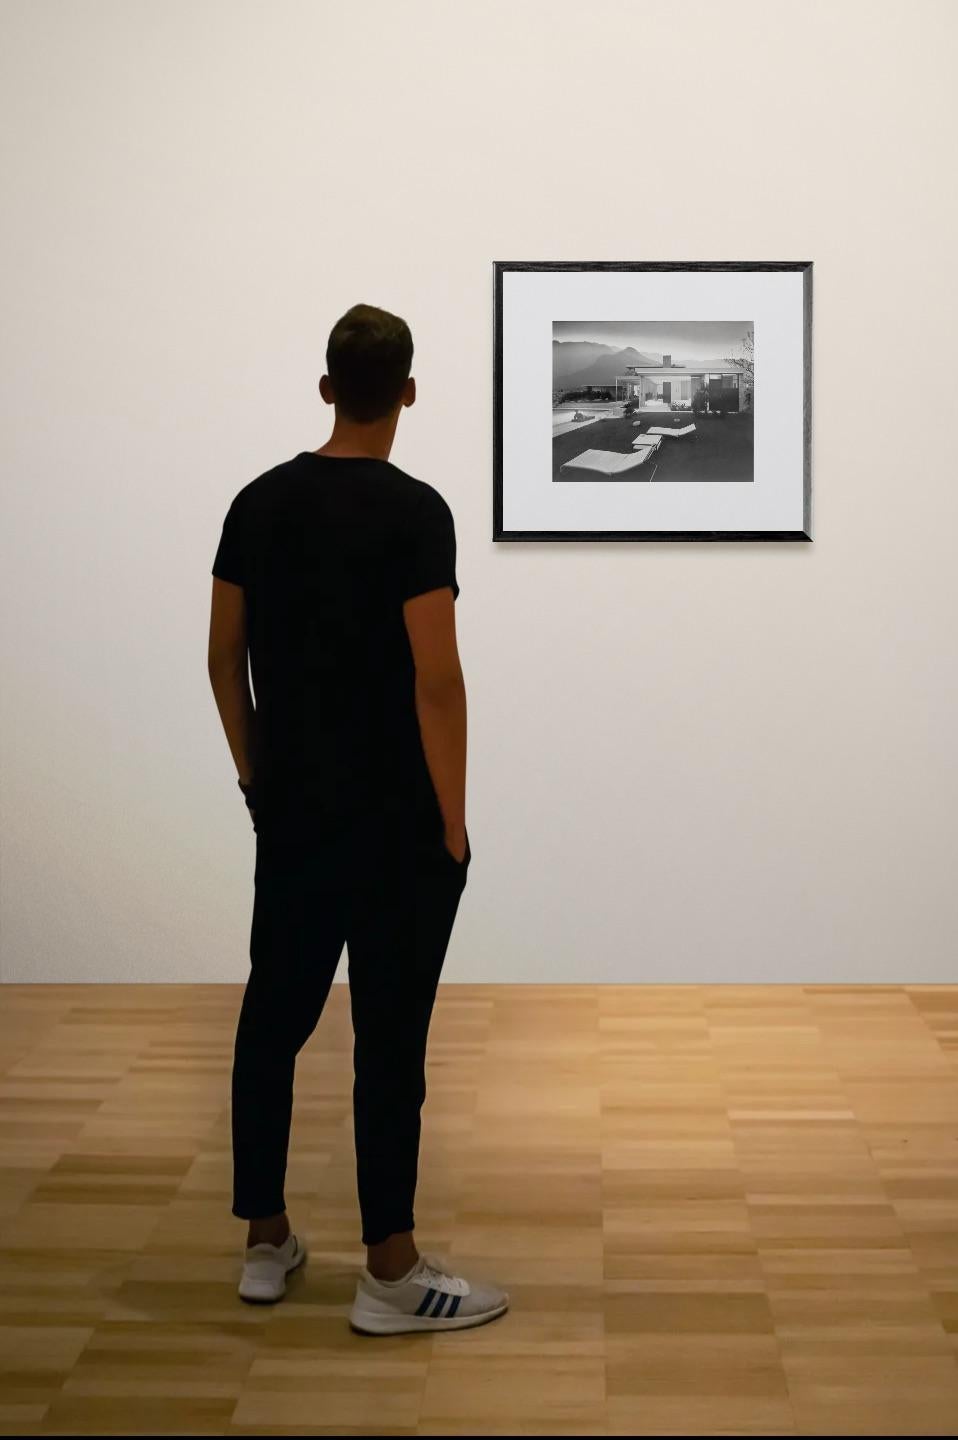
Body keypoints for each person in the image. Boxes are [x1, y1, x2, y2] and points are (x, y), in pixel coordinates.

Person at [206, 303, 508, 1335]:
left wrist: (257, 777)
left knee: (271, 1022)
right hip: (396, 825)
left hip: (293, 815)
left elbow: (221, 655)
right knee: (390, 1038)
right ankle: (388, 1271)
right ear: (408, 393)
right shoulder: (418, 513)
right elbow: (437, 678)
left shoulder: (257, 502)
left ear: (326, 387)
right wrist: (454, 821)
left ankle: (264, 1241)